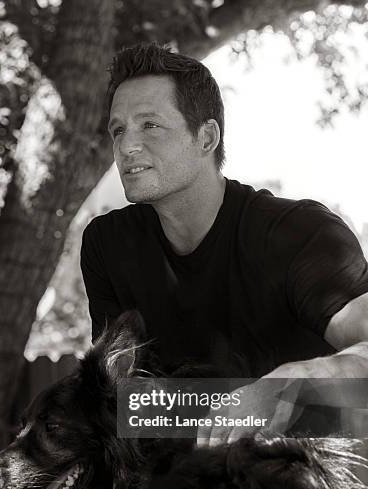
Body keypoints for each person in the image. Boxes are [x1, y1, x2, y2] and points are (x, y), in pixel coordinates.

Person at [81, 42, 368, 442]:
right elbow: (120, 402)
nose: (127, 146)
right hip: (183, 483)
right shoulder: (108, 245)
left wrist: (288, 384)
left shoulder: (299, 234)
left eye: (150, 125)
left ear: (206, 137)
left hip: (306, 475)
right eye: (118, 130)